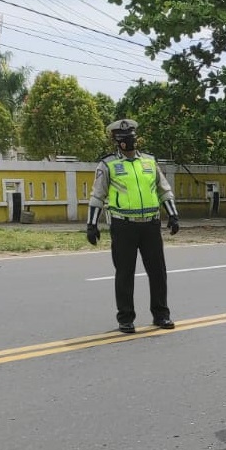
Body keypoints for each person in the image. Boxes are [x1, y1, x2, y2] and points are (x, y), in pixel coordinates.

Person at [86, 118, 179, 334]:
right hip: (123, 226)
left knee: (158, 272)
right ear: (117, 141)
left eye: (132, 137)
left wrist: (173, 215)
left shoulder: (149, 162)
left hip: (150, 225)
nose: (130, 141)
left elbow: (163, 189)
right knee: (125, 273)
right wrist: (91, 225)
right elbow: (97, 196)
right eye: (125, 138)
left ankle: (161, 315)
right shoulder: (107, 164)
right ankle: (126, 318)